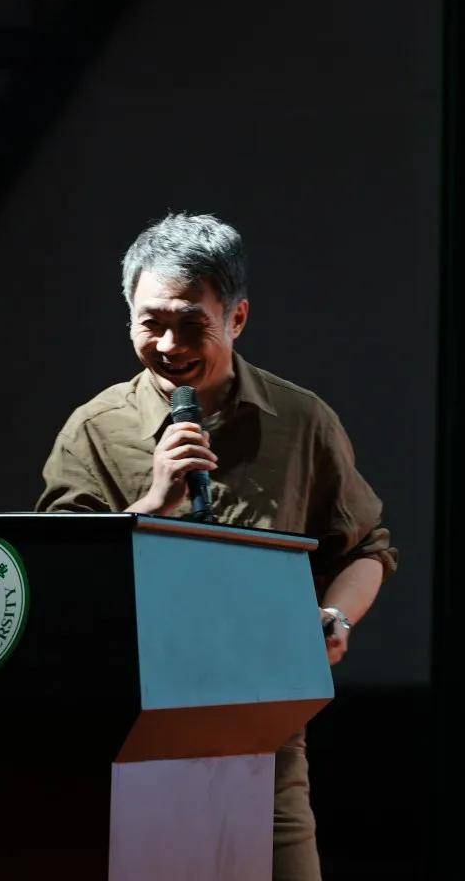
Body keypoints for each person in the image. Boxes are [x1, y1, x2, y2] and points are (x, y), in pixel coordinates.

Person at [36, 211, 397, 881]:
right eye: (150, 322)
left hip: (264, 737)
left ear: (237, 318)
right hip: (126, 740)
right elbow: (56, 577)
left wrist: (335, 617)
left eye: (190, 324)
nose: (168, 344)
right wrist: (152, 505)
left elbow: (366, 547)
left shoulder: (301, 421)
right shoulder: (95, 430)